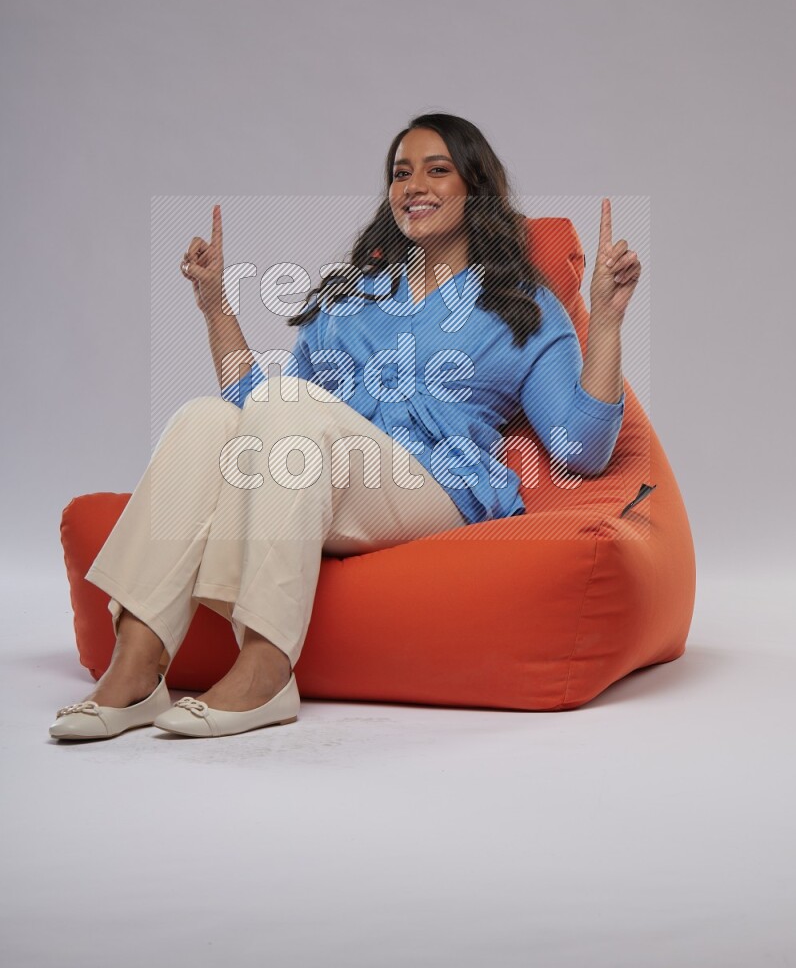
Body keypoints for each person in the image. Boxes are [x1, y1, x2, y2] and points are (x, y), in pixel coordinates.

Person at [49, 113, 641, 741]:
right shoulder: (354, 296)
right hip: (327, 478)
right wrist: (215, 304)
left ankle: (268, 665)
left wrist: (604, 321)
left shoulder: (522, 304)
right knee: (204, 418)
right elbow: (260, 409)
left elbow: (582, 449)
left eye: (437, 170)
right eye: (400, 173)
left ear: (476, 188)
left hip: (438, 487)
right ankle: (137, 662)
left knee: (286, 402)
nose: (414, 185)